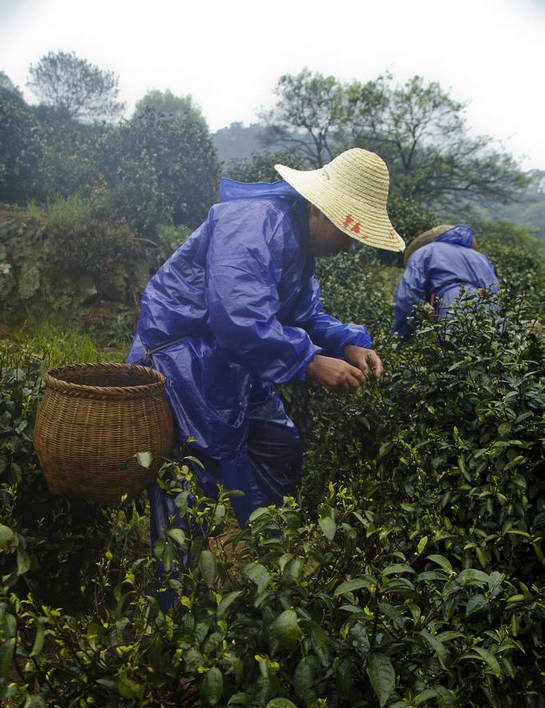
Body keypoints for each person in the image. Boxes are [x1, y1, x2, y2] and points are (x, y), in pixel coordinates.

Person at [127, 148, 405, 584]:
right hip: (183, 354)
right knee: (189, 474)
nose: (351, 245)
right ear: (319, 208)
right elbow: (238, 318)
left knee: (279, 446)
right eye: (349, 231)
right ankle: (176, 606)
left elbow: (305, 316)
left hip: (235, 360)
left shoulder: (299, 245)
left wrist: (348, 342)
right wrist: (311, 361)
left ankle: (267, 558)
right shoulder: (254, 221)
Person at [392, 224, 500, 340]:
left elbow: (408, 297)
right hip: (487, 310)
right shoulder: (480, 258)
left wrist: (400, 335)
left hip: (451, 304)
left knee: (453, 349)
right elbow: (496, 294)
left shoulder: (425, 252)